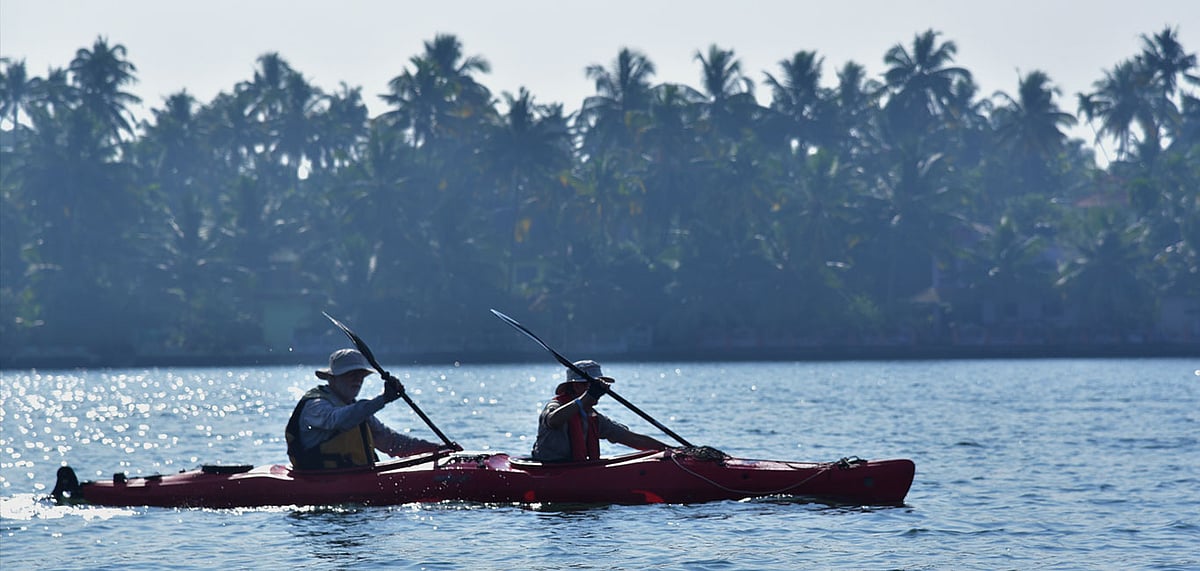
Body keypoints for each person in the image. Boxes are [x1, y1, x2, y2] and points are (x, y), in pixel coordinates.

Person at [285, 348, 447, 470]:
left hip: (355, 477)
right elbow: (338, 420)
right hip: (320, 479)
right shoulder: (315, 405)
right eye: (350, 374)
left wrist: (436, 450)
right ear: (332, 378)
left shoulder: (356, 410)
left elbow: (391, 442)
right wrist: (383, 399)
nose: (357, 380)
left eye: (361, 374)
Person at [531, 360, 668, 462]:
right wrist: (588, 396)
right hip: (550, 470)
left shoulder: (594, 417)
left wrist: (670, 450)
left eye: (596, 387)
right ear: (576, 386)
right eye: (590, 386)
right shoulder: (555, 406)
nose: (597, 392)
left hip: (577, 471)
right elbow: (553, 420)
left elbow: (633, 439)